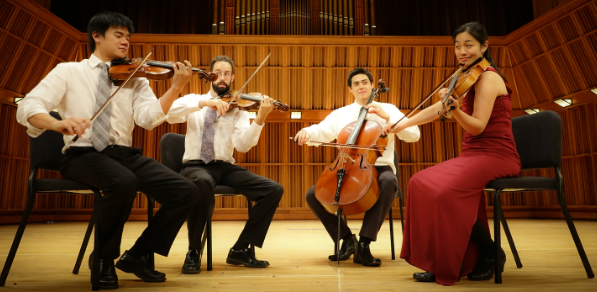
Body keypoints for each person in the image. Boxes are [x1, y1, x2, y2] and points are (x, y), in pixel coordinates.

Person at [16, 11, 200, 290]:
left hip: (124, 154)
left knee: (186, 190)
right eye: (119, 35)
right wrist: (58, 123)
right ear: (97, 36)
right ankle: (103, 258)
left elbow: (148, 118)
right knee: (123, 182)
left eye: (128, 37)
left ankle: (137, 255)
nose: (126, 41)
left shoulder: (135, 77)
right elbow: (28, 106)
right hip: (82, 154)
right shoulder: (69, 71)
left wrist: (176, 87)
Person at [383, 21, 522, 285]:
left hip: (496, 154)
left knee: (445, 193)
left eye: (469, 45)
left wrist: (455, 110)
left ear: (485, 46)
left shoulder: (489, 77)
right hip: (472, 155)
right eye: (457, 46)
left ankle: (490, 253)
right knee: (420, 182)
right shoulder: (464, 76)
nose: (462, 51)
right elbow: (437, 109)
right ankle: (448, 258)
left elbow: (478, 126)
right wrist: (401, 124)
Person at [167, 55, 283, 274]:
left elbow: (243, 145)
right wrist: (204, 103)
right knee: (202, 182)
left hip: (225, 167)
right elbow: (169, 114)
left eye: (227, 74)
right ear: (210, 76)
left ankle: (240, 249)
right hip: (196, 166)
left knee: (273, 190)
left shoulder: (238, 108)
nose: (222, 78)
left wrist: (260, 118)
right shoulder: (194, 100)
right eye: (218, 73)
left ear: (233, 77)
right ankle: (193, 250)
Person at [293, 68, 420, 266]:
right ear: (350, 89)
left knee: (388, 181)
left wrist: (387, 117)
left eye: (364, 82)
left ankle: (364, 244)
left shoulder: (388, 108)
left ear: (371, 85)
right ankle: (346, 240)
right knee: (313, 194)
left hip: (380, 167)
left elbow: (414, 134)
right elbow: (321, 131)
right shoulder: (341, 114)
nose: (361, 86)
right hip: (349, 167)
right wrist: (306, 132)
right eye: (356, 84)